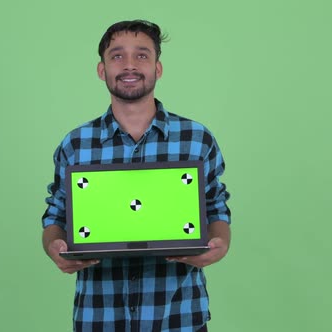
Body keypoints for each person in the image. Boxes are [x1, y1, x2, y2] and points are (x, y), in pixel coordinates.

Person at [41, 19, 231, 332]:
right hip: (98, 316)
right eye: (117, 56)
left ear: (158, 68)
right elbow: (55, 217)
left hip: (178, 315)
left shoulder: (197, 139)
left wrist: (220, 241)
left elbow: (215, 207)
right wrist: (55, 248)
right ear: (102, 70)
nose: (129, 65)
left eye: (142, 55)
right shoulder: (75, 144)